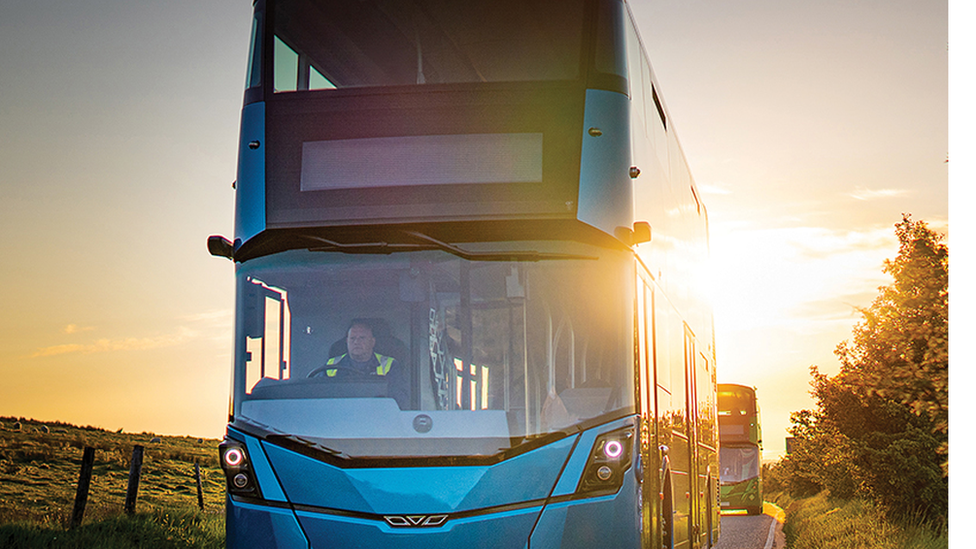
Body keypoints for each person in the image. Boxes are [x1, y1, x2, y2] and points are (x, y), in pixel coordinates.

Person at [308, 320, 408, 407]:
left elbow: (399, 402)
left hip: (376, 418)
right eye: (352, 338)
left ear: (372, 342)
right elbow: (319, 398)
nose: (356, 342)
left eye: (362, 338)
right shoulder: (331, 365)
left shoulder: (389, 365)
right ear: (347, 341)